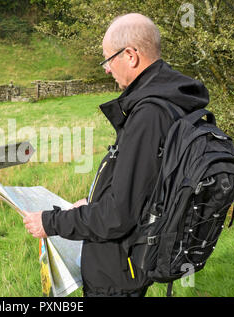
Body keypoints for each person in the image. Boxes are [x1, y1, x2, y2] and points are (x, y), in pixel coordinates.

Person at [23, 13, 209, 297]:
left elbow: (117, 216)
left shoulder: (150, 114)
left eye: (108, 59)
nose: (107, 69)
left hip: (117, 273)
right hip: (127, 263)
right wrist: (91, 201)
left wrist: (50, 222)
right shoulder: (169, 102)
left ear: (131, 55)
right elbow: (144, 184)